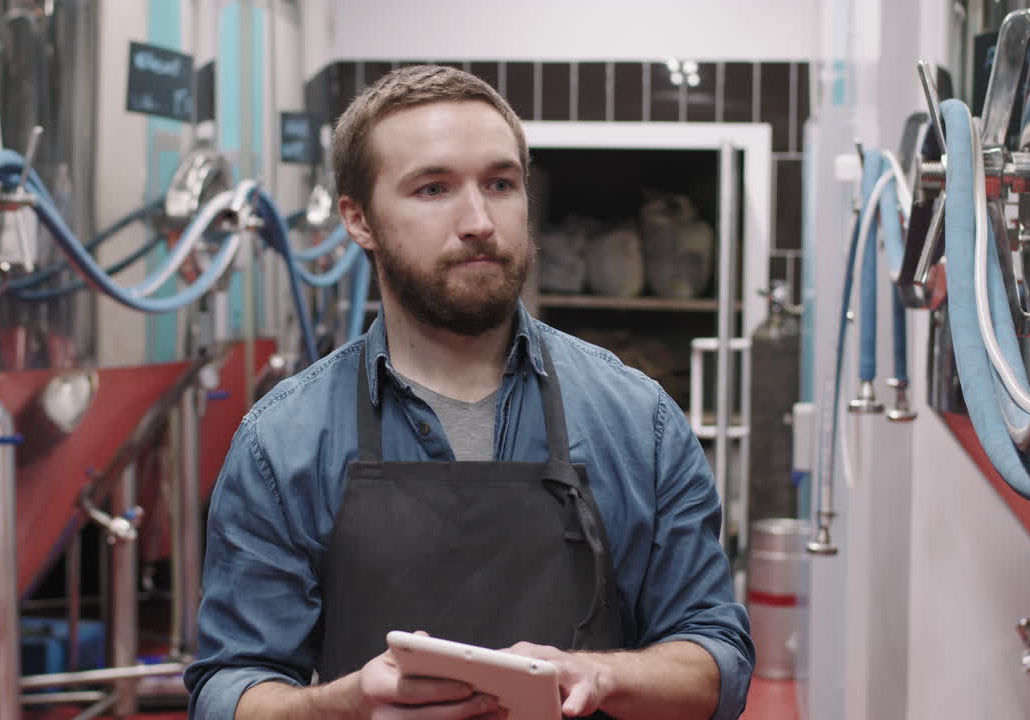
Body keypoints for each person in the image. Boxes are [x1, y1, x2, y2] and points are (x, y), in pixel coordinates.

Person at [184, 64, 753, 720]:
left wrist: (600, 673)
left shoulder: (637, 418)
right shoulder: (281, 441)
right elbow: (229, 689)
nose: (479, 220)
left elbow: (718, 660)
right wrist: (343, 706)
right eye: (433, 189)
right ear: (359, 219)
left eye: (501, 183)